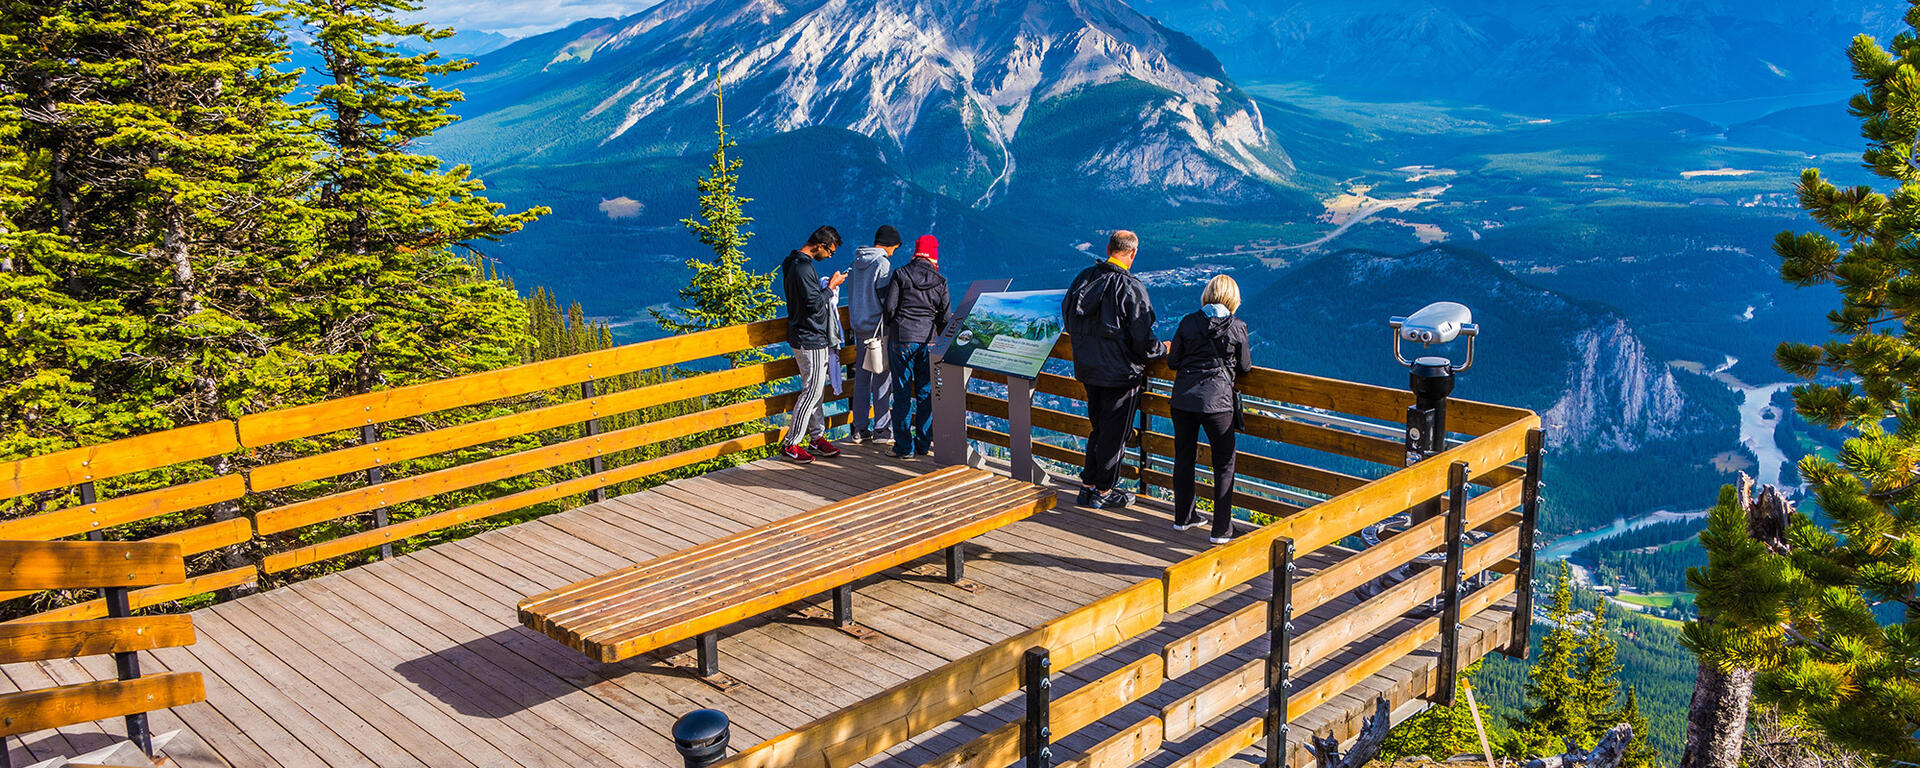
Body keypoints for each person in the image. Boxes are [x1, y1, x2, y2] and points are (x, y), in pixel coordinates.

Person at [1062, 230, 1166, 509]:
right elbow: (1143, 339)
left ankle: (1088, 486)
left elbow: (1068, 318)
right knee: (1115, 434)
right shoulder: (1131, 287)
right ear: (1133, 253)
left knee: (1098, 428)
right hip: (1121, 374)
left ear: (1108, 248)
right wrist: (1163, 349)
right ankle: (1104, 491)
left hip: (1088, 369)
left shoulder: (1084, 278)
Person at [1167, 275, 1252, 544]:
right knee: (1224, 464)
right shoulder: (1237, 327)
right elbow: (1245, 367)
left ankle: (1183, 518)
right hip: (1218, 403)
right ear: (1233, 298)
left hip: (1183, 401)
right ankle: (1221, 529)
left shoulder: (1188, 322)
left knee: (1184, 457)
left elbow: (1173, 361)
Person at [779, 225, 848, 464]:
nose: (829, 256)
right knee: (812, 392)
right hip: (811, 338)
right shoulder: (804, 268)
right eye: (830, 251)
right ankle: (791, 444)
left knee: (815, 389)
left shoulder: (791, 262)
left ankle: (816, 437)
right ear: (820, 246)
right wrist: (831, 287)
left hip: (799, 335)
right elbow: (814, 306)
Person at [883, 235, 949, 458]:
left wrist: (895, 324)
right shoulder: (940, 281)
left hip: (901, 338)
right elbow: (946, 317)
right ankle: (923, 444)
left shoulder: (900, 274)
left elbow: (889, 309)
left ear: (916, 251)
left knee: (901, 393)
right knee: (925, 392)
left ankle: (904, 447)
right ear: (934, 255)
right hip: (928, 340)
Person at [847, 226, 900, 444]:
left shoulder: (855, 263)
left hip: (859, 328)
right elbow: (886, 300)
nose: (893, 252)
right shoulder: (881, 263)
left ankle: (859, 428)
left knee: (861, 378)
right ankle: (881, 429)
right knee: (882, 377)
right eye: (895, 248)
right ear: (889, 244)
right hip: (878, 329)